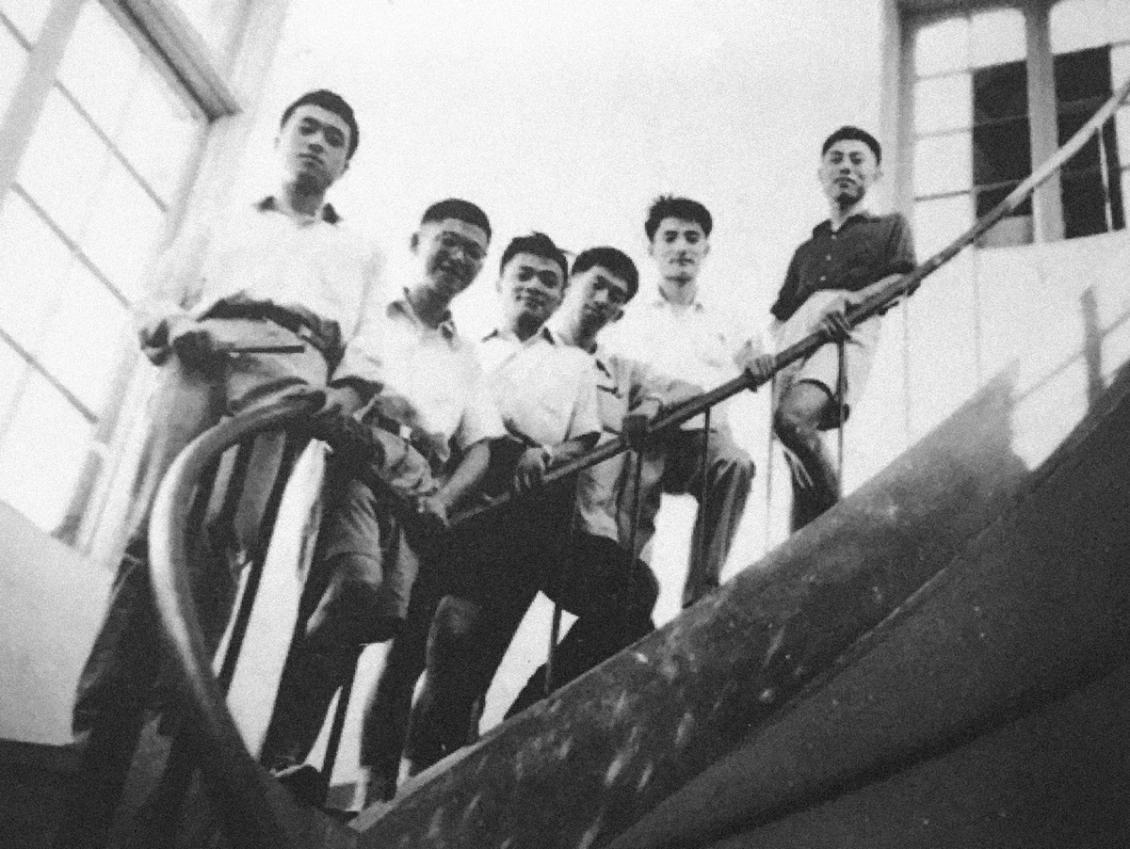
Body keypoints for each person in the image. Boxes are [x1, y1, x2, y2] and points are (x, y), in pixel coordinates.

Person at [59, 89, 384, 846]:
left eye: (333, 138)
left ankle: (170, 729)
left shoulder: (361, 251)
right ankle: (100, 730)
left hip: (291, 369)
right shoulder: (223, 220)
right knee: (152, 531)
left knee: (222, 538)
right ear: (281, 139)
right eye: (306, 128)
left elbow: (367, 346)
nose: (316, 143)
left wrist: (339, 394)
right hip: (202, 355)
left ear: (345, 163)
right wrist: (178, 325)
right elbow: (156, 298)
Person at [257, 199, 505, 805]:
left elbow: (482, 445)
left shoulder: (466, 354)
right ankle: (278, 756)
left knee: (372, 617)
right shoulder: (373, 314)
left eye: (475, 251)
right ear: (418, 241)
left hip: (419, 489)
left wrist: (443, 497)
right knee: (353, 586)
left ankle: (289, 760)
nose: (460, 257)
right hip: (358, 456)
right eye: (449, 240)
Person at [505, 245, 737, 718]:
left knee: (633, 620)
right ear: (570, 284)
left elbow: (691, 390)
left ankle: (529, 713)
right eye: (596, 285)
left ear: (620, 312)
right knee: (632, 602)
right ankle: (531, 710)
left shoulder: (620, 371)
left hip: (593, 532)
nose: (603, 300)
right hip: (532, 518)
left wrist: (650, 405)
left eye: (616, 296)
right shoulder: (533, 350)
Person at [401, 232, 602, 776]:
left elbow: (585, 437)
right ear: (501, 281)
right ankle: (385, 778)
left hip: (527, 499)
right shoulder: (468, 348)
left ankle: (436, 771)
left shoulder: (575, 364)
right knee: (417, 639)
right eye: (524, 275)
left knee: (474, 643)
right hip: (460, 486)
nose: (535, 286)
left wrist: (546, 453)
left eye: (549, 280)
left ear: (561, 295)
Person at [604, 195, 764, 608]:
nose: (681, 247)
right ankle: (627, 605)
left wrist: (758, 362)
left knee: (736, 464)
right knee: (631, 506)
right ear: (652, 248)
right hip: (648, 435)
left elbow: (753, 355)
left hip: (703, 435)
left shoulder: (723, 314)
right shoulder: (629, 315)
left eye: (692, 238)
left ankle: (701, 594)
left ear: (706, 249)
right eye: (670, 237)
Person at [770, 126, 916, 530]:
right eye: (836, 159)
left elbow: (904, 279)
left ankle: (841, 525)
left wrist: (852, 299)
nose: (846, 167)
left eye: (857, 160)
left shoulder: (889, 226)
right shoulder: (806, 249)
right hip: (796, 335)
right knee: (794, 458)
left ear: (875, 174)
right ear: (821, 174)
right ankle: (804, 548)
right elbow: (782, 314)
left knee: (793, 421)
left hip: (846, 330)